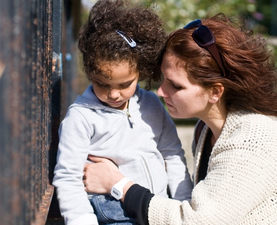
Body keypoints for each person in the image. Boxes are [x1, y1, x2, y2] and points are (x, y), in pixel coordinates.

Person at [83, 13, 277, 224]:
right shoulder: (205, 129)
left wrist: (118, 184)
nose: (160, 92)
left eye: (176, 85)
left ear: (215, 92)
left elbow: (196, 220)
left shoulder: (251, 141)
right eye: (164, 79)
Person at [52, 0, 193, 224]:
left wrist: (184, 202)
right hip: (114, 215)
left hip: (155, 207)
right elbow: (68, 176)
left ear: (141, 70)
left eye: (125, 84)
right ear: (90, 72)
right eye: (103, 84)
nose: (114, 94)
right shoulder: (81, 117)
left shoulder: (152, 105)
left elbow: (172, 155)